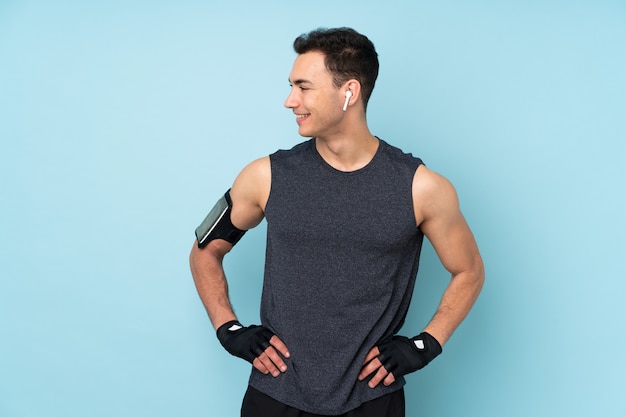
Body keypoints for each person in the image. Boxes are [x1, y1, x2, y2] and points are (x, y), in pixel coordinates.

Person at [189, 27, 484, 417]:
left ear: (349, 91)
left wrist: (425, 344)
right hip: (276, 396)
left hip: (372, 398)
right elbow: (204, 252)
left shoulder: (422, 187)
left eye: (303, 87)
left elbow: (469, 270)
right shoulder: (265, 176)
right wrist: (229, 329)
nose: (289, 100)